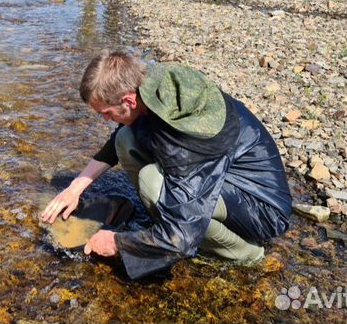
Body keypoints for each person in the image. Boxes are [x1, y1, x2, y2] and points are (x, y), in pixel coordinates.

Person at [41, 51, 292, 280]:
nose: (105, 119)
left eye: (106, 112)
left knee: (154, 184)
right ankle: (159, 225)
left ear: (128, 101)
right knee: (125, 138)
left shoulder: (183, 139)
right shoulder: (149, 87)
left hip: (262, 208)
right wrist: (76, 187)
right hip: (225, 177)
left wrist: (117, 242)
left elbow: (183, 235)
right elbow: (120, 134)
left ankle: (245, 253)